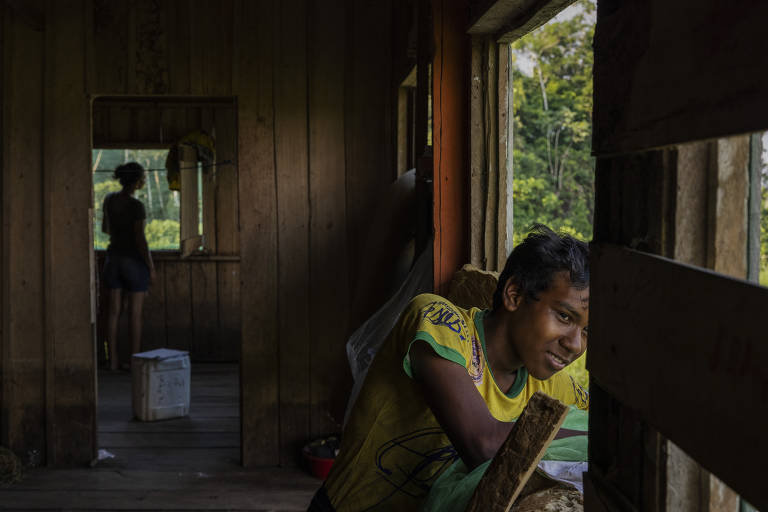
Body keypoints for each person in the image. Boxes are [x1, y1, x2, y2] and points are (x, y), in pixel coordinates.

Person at [309, 224, 590, 512]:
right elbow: (483, 445)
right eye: (564, 316)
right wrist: (581, 438)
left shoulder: (555, 386)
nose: (575, 344)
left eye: (586, 331)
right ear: (515, 294)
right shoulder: (439, 323)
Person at [101, 162, 156, 371]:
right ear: (136, 181)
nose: (144, 181)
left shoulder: (109, 200)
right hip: (133, 260)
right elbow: (140, 239)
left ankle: (113, 361)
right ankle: (135, 361)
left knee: (113, 312)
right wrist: (150, 267)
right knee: (135, 314)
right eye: (143, 178)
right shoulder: (136, 206)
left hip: (113, 258)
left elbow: (106, 229)